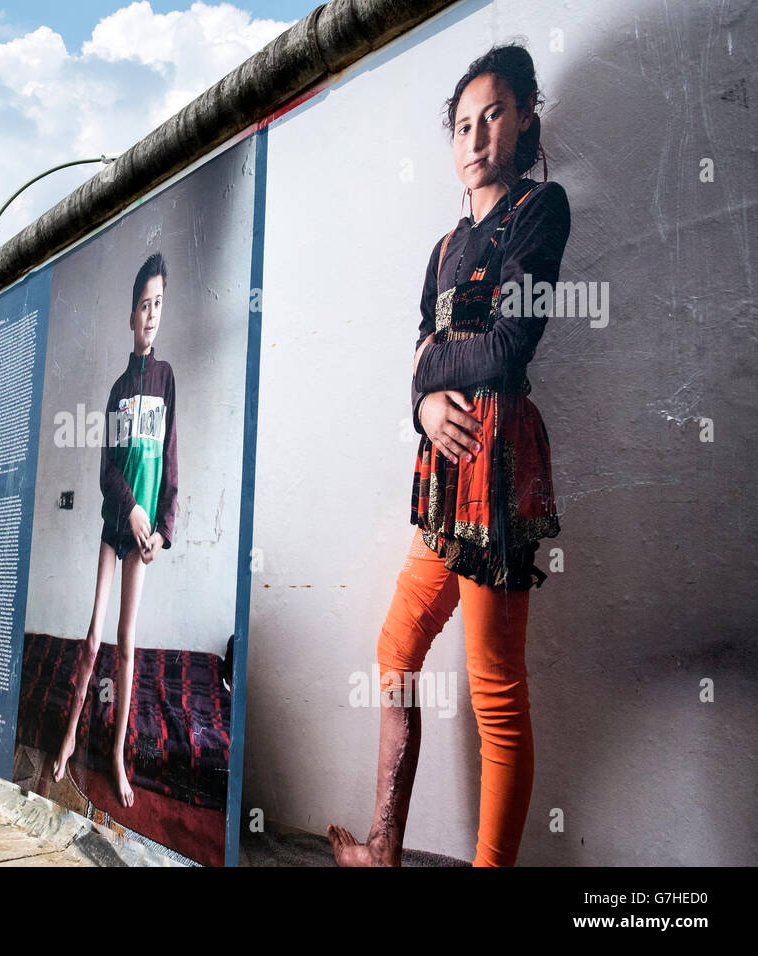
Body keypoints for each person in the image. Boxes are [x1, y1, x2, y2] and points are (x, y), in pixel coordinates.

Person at [327, 43, 570, 867]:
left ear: (526, 118)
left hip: (497, 474)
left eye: (493, 115)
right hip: (442, 483)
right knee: (396, 651)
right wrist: (425, 398)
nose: (475, 136)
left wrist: (428, 373)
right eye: (462, 124)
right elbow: (422, 355)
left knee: (495, 693)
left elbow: (507, 347)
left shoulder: (542, 209)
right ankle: (384, 847)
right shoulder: (441, 249)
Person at [50, 251, 180, 808]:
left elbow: (172, 464)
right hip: (114, 526)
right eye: (142, 306)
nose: (150, 315)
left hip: (143, 538)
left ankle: (117, 756)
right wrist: (129, 512)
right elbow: (106, 467)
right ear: (130, 317)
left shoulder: (169, 380)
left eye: (158, 305)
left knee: (127, 645)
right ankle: (70, 732)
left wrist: (162, 531)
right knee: (94, 637)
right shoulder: (116, 391)